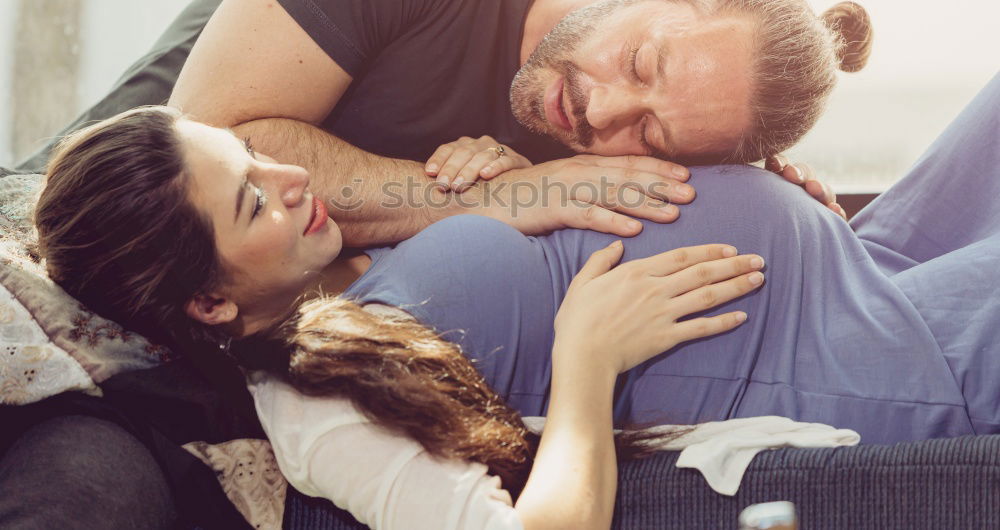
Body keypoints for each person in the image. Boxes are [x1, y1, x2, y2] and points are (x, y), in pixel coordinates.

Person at [32, 68, 1000, 528]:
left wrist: (500, 183)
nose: (288, 176)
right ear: (206, 304)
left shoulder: (337, 264)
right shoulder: (313, 409)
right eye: (252, 199)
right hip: (861, 365)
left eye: (251, 156)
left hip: (855, 261)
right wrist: (585, 358)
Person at [18, 0, 873, 245]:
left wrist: (776, 216)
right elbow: (207, 140)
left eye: (650, 135)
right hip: (54, 238)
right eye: (641, 65)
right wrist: (503, 194)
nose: (606, 112)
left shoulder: (598, 155)